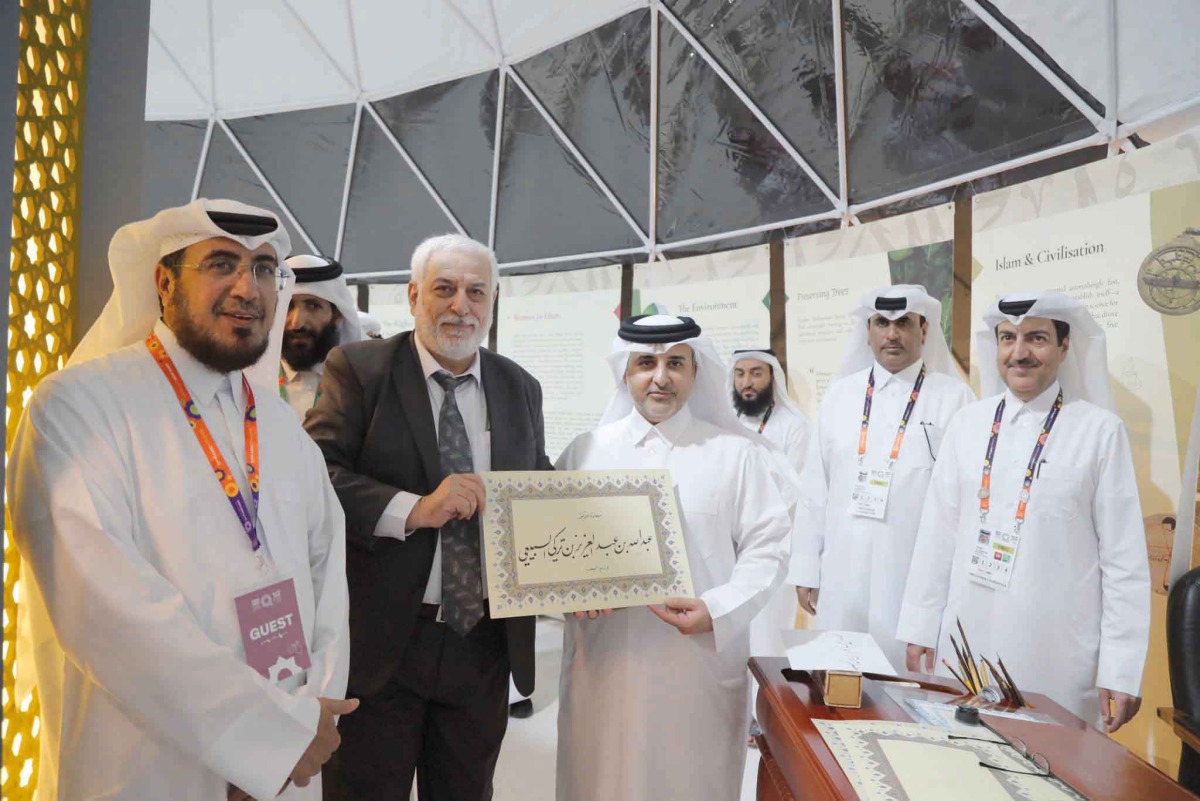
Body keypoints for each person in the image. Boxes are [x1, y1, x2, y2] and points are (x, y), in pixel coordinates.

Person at [8, 199, 353, 800]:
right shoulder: (76, 408)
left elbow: (329, 579)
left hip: (287, 770)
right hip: (149, 767)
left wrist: (306, 722)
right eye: (222, 263)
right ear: (163, 282)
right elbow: (110, 614)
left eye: (264, 268)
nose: (248, 288)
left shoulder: (275, 425)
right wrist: (265, 738)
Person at [306, 233, 550, 801]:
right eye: (444, 289)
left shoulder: (519, 387)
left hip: (483, 644)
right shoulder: (360, 370)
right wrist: (414, 509)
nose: (460, 306)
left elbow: (536, 489)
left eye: (475, 292)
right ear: (414, 295)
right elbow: (316, 474)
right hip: (384, 643)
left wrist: (575, 570)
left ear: (492, 302)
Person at [556, 314, 793, 801]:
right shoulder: (585, 451)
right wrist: (567, 593)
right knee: (599, 778)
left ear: (696, 372)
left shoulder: (735, 454)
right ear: (626, 372)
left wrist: (719, 609)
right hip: (604, 657)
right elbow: (553, 548)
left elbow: (767, 548)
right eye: (646, 363)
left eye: (675, 363)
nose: (660, 377)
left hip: (695, 663)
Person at [898, 291, 1150, 731]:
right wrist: (920, 626)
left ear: (1064, 346)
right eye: (1008, 339)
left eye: (1036, 338)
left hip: (1057, 653)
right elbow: (936, 535)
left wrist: (1120, 668)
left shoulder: (1099, 431)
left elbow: (1123, 560)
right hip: (965, 639)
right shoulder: (967, 425)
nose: (1020, 353)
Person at [790, 285, 974, 668]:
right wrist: (807, 565)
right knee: (840, 680)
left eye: (903, 323)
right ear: (867, 331)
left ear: (923, 331)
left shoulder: (955, 399)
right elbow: (814, 489)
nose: (892, 334)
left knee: (907, 692)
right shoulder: (840, 396)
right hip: (842, 569)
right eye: (881, 323)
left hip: (913, 577)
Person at [729, 349, 809, 655]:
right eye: (740, 373)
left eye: (756, 373)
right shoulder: (724, 422)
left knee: (766, 641)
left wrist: (750, 523)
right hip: (726, 546)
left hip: (771, 548)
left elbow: (794, 489)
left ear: (772, 376)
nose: (747, 382)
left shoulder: (793, 426)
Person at [279, 255, 362, 418]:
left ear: (337, 314)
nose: (297, 323)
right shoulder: (249, 379)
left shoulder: (362, 381)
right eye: (287, 306)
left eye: (312, 306)